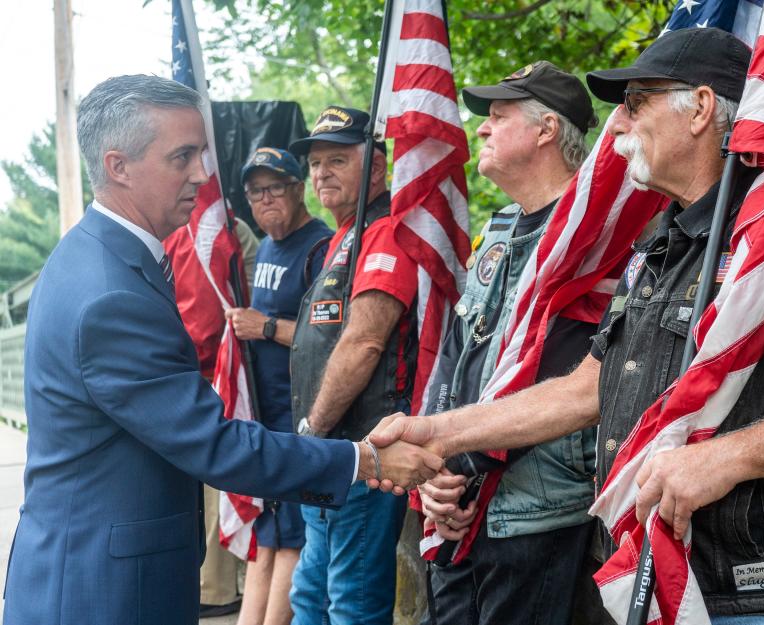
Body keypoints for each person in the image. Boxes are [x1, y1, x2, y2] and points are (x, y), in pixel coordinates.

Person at [370, 28, 764, 624]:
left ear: (701, 109)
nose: (618, 127)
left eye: (635, 103)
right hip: (651, 578)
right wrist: (440, 433)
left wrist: (726, 458)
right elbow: (586, 390)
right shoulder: (660, 247)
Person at [2, 75, 441, 625]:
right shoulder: (110, 293)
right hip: (102, 588)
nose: (203, 175)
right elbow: (213, 443)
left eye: (201, 154)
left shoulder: (96, 255)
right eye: (182, 157)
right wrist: (363, 459)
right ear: (118, 166)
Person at [416, 61, 600, 625]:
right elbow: (456, 353)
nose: (481, 128)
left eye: (497, 116)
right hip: (457, 500)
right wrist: (432, 468)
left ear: (546, 130)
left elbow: (566, 373)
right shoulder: (498, 228)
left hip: (535, 510)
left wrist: (460, 467)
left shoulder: (597, 235)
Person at [286, 106, 420, 625]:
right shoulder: (344, 235)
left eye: (337, 160)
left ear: (379, 166)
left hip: (363, 452)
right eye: (316, 163)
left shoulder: (385, 231)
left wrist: (312, 430)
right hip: (328, 453)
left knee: (352, 606)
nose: (321, 173)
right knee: (310, 598)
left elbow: (364, 342)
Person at [225, 147, 335, 625]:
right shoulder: (268, 246)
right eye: (255, 192)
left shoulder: (322, 247)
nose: (265, 200)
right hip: (264, 418)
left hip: (301, 421)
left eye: (275, 188)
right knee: (265, 539)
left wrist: (265, 326)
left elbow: (334, 338)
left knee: (291, 540)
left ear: (298, 189)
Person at [164, 157, 261, 621]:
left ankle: (219, 584)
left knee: (214, 482)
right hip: (200, 372)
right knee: (212, 481)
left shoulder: (223, 234)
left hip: (213, 371)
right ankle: (217, 584)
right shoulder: (223, 233)